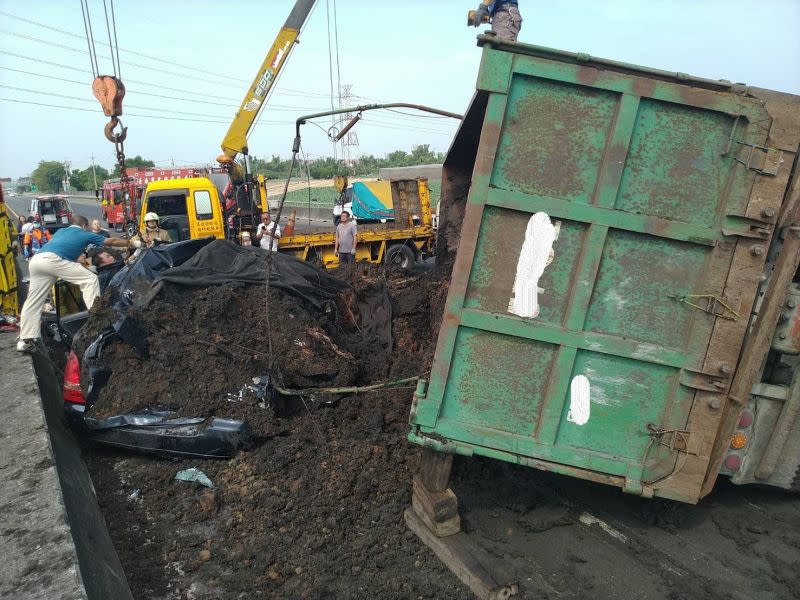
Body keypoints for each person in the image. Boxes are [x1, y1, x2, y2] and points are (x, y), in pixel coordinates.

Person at [16, 215, 131, 353]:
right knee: (90, 279)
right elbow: (111, 241)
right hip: (53, 261)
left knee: (33, 301)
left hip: (37, 261)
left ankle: (25, 340)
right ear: (84, 225)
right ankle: (97, 314)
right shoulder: (84, 233)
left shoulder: (61, 232)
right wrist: (132, 243)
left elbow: (64, 249)